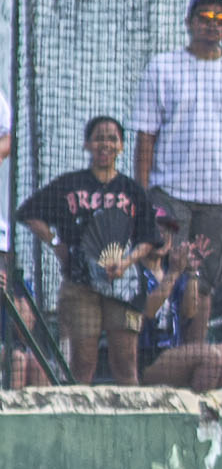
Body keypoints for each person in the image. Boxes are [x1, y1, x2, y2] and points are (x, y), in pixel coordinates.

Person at [133, 0, 222, 292]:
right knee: (165, 272)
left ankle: (196, 341)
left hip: (219, 197)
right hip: (170, 194)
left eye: (221, 19)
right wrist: (142, 192)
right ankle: (161, 340)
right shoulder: (163, 67)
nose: (213, 24)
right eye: (205, 17)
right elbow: (146, 136)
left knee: (205, 282)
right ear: (189, 22)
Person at [17, 116, 163, 384]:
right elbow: (28, 212)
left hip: (123, 287)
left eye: (112, 138)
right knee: (82, 360)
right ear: (87, 144)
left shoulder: (131, 189)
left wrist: (128, 261)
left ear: (121, 146)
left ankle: (128, 415)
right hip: (80, 284)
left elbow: (150, 238)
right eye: (99, 137)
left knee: (126, 360)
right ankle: (77, 415)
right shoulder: (70, 184)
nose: (105, 144)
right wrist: (54, 242)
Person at [138, 208, 222, 392]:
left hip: (172, 351)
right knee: (210, 357)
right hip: (144, 357)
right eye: (156, 231)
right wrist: (175, 273)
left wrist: (192, 272)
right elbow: (148, 311)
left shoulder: (172, 270)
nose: (162, 237)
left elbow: (190, 312)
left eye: (166, 233)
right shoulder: (136, 270)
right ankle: (198, 415)